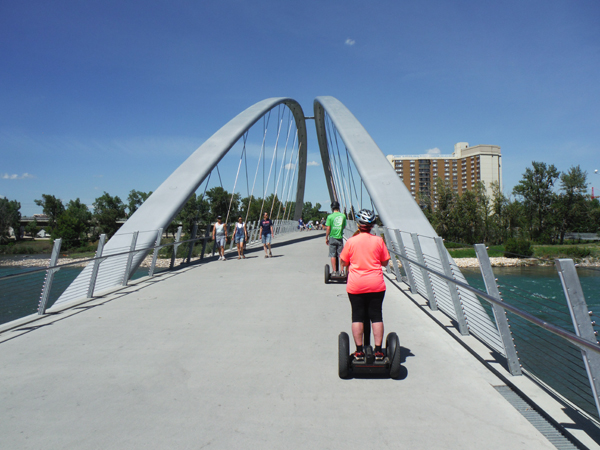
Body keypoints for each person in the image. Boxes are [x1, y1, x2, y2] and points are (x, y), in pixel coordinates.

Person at [339, 209, 390, 362]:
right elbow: (385, 262)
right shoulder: (379, 241)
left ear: (358, 224)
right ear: (373, 224)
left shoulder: (351, 241)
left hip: (356, 285)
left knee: (357, 316)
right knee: (376, 316)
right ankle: (379, 351)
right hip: (376, 284)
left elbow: (343, 262)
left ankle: (359, 351)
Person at [325, 201, 347, 276]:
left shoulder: (330, 217)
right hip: (340, 238)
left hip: (332, 237)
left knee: (332, 255)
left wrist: (326, 238)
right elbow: (344, 226)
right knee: (341, 255)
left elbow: (328, 228)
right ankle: (342, 271)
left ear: (332, 208)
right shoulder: (343, 216)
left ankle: (334, 272)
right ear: (338, 207)